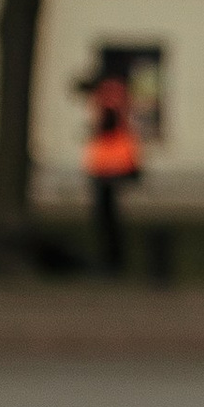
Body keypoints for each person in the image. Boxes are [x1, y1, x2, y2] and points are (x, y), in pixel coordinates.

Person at [79, 61, 141, 271]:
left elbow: (109, 122)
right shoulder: (118, 93)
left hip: (110, 165)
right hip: (113, 164)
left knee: (106, 218)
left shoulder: (110, 94)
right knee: (108, 217)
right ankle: (113, 259)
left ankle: (112, 261)